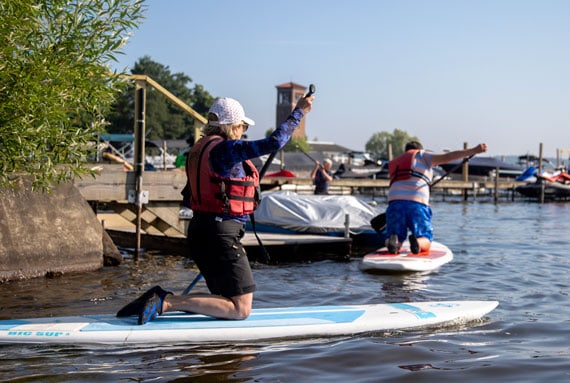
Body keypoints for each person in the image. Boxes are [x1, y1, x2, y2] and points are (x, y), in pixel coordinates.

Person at [117, 94, 314, 325]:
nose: (242, 131)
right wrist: (299, 111)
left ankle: (162, 302)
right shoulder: (225, 150)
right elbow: (274, 143)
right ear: (232, 126)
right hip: (220, 234)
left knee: (224, 300)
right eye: (241, 126)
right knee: (241, 308)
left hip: (200, 230)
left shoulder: (198, 150)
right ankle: (166, 302)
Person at [385, 141, 488, 254]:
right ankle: (418, 242)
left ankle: (394, 241)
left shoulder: (396, 162)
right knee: (426, 238)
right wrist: (474, 150)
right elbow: (448, 156)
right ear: (420, 149)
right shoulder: (423, 155)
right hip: (416, 203)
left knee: (395, 235)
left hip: (394, 203)